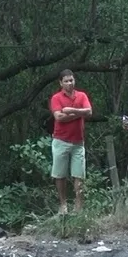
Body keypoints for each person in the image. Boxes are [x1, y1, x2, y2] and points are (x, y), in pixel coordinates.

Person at [49, 69, 92, 214]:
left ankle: (78, 208)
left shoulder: (82, 95)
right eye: (66, 81)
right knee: (60, 174)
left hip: (78, 142)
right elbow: (59, 117)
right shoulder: (56, 98)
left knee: (79, 175)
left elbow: (90, 112)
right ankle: (63, 205)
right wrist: (80, 113)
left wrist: (69, 110)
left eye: (71, 80)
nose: (69, 83)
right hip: (61, 140)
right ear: (61, 83)